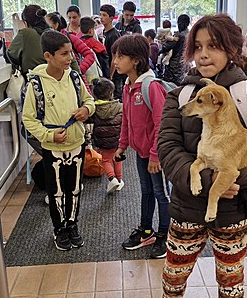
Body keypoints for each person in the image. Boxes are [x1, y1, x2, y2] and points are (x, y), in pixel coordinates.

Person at [158, 14, 247, 298]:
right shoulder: (180, 96)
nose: (204, 54)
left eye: (214, 45)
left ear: (231, 49)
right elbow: (168, 150)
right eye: (197, 47)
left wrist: (236, 177)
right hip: (188, 206)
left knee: (231, 282)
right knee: (173, 278)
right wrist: (209, 182)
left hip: (234, 212)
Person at [22, 30, 95, 251]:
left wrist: (86, 109)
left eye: (70, 53)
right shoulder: (36, 84)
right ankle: (59, 229)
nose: (70, 58)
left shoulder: (74, 77)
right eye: (64, 54)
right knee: (56, 192)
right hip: (52, 148)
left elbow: (89, 100)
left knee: (74, 189)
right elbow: (28, 118)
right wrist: (48, 135)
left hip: (76, 144)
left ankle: (72, 225)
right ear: (48, 56)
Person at [112, 34, 170, 259]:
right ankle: (146, 231)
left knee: (161, 194)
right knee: (146, 191)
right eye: (115, 56)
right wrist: (122, 145)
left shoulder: (150, 86)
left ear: (136, 60)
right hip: (141, 152)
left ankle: (165, 235)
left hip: (156, 154)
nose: (115, 61)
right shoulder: (128, 86)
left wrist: (156, 155)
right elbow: (127, 119)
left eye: (120, 56)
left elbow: (161, 123)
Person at [89, 77, 125, 193]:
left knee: (106, 160)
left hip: (102, 141)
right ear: (111, 93)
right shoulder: (119, 107)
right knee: (117, 159)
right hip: (117, 139)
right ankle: (119, 180)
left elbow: (88, 120)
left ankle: (111, 178)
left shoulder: (94, 109)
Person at [45, 11, 96, 87]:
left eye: (47, 25)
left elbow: (90, 55)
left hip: (75, 81)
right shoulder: (46, 41)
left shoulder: (70, 37)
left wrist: (78, 70)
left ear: (56, 25)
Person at [8, 4, 50, 76]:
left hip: (35, 82)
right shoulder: (54, 33)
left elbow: (10, 55)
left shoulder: (25, 33)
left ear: (25, 22)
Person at [99, 4, 124, 100]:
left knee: (116, 97)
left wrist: (110, 75)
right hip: (106, 70)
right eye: (100, 14)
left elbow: (115, 56)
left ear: (111, 18)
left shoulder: (114, 35)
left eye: (104, 15)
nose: (101, 18)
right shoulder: (103, 32)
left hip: (114, 73)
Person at [159, 14, 190, 85]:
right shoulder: (190, 35)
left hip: (174, 64)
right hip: (184, 63)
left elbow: (165, 48)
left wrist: (160, 45)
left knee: (169, 86)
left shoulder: (178, 36)